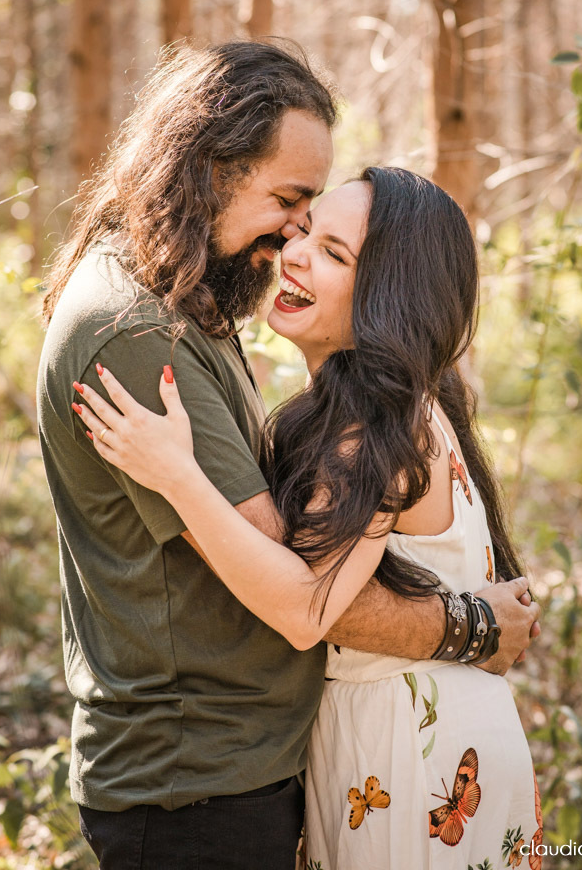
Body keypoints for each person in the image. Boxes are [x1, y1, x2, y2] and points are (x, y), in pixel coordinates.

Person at [73, 165, 543, 870]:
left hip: (410, 747)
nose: (293, 253)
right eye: (304, 232)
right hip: (439, 730)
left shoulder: (371, 422)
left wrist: (175, 473)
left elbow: (305, 608)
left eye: (334, 253)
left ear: (391, 296)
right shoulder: (405, 403)